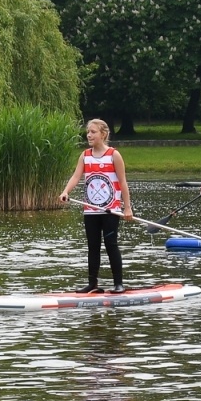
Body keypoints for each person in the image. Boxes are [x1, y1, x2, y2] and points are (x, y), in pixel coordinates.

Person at [56, 118, 134, 293]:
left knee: (111, 244)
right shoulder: (85, 155)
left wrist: (127, 208)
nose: (89, 135)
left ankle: (118, 284)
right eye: (88, 132)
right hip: (90, 210)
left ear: (103, 134)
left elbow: (123, 182)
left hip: (111, 209)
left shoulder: (114, 155)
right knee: (93, 246)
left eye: (93, 132)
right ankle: (92, 284)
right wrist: (65, 191)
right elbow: (76, 177)